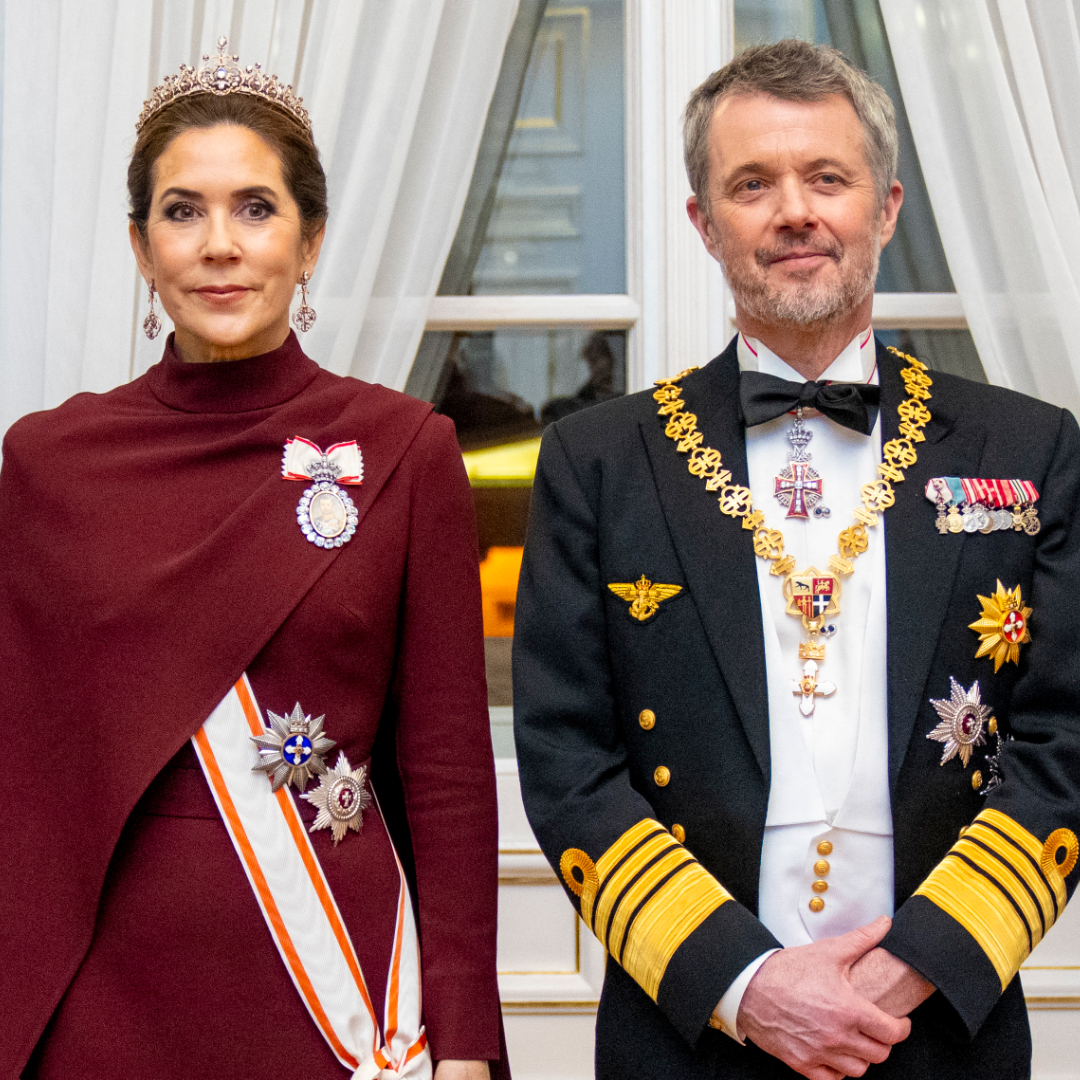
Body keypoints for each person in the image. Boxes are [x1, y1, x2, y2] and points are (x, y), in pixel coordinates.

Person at [513, 38, 1080, 1080]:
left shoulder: (1029, 448)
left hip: (940, 1027)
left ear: (889, 206)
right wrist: (748, 985)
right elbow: (566, 757)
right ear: (702, 221)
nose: (795, 212)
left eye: (828, 177)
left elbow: (1066, 737)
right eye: (752, 184)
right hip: (691, 1030)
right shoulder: (596, 464)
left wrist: (909, 969)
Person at [0, 39, 507, 1080]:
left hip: (329, 994)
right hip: (99, 999)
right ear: (142, 248)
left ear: (311, 240)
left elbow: (449, 772)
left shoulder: (406, 449)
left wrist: (463, 1041)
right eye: (182, 211)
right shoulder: (47, 462)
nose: (219, 244)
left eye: (256, 208)